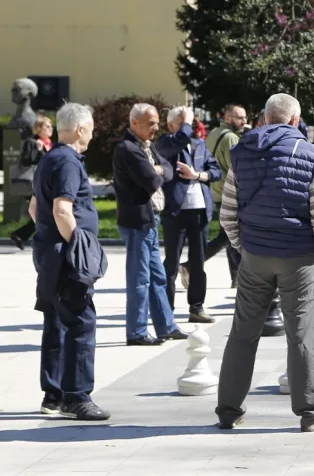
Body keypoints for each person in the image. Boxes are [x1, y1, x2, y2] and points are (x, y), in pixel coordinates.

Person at [216, 93, 314, 432]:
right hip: (298, 256)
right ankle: (311, 412)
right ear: (293, 120)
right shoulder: (310, 155)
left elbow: (227, 213)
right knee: (301, 334)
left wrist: (245, 247)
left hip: (255, 255)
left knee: (243, 332)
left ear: (264, 118)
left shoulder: (241, 152)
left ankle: (228, 409)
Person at [28, 103, 110, 420]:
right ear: (79, 130)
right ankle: (77, 397)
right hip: (65, 257)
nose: (91, 134)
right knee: (80, 322)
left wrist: (49, 239)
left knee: (57, 321)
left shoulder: (49, 158)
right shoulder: (68, 162)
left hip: (49, 252)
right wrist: (79, 248)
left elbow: (36, 209)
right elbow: (62, 210)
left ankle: (55, 393)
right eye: (90, 129)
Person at [113, 104, 186, 347]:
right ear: (135, 123)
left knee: (157, 277)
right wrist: (158, 170)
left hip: (150, 221)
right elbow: (153, 180)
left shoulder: (147, 146)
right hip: (137, 223)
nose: (156, 127)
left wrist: (159, 168)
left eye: (156, 122)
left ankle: (166, 325)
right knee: (140, 279)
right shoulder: (128, 149)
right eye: (151, 123)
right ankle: (136, 332)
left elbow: (168, 168)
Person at [155, 106, 222, 324]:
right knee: (172, 263)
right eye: (185, 121)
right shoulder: (166, 143)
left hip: (200, 211)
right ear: (172, 125)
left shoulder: (200, 144)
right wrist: (186, 120)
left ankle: (197, 307)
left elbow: (216, 171)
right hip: (176, 211)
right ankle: (167, 309)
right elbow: (180, 140)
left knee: (198, 262)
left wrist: (198, 175)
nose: (190, 125)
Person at [204, 104, 247, 286]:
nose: (244, 121)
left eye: (245, 117)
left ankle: (236, 278)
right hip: (229, 193)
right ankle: (191, 264)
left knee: (229, 235)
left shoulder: (214, 133)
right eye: (240, 118)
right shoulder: (231, 138)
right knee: (229, 236)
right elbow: (237, 168)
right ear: (228, 118)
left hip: (215, 190)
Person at [9, 114, 53, 249]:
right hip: (34, 183)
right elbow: (26, 161)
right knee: (46, 212)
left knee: (44, 212)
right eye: (47, 126)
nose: (51, 128)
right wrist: (38, 149)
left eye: (51, 126)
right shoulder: (32, 142)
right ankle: (24, 235)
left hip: (47, 183)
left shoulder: (50, 143)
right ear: (39, 128)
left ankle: (20, 235)